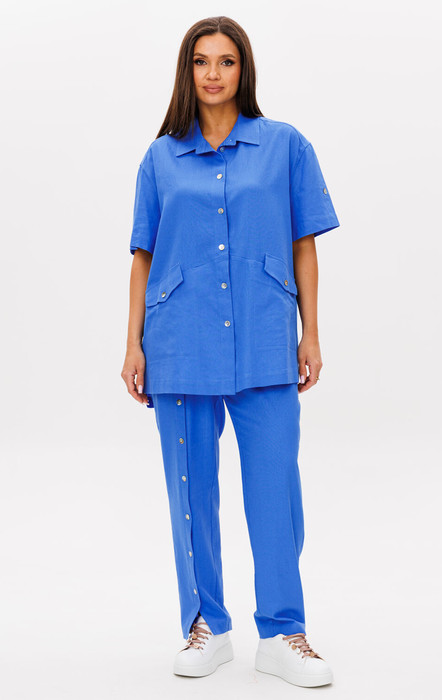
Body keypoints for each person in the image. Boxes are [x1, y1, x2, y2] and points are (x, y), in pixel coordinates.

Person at [121, 16, 340, 689]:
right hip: (178, 339)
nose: (213, 73)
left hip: (265, 336)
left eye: (226, 61)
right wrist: (132, 343)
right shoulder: (160, 158)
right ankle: (206, 626)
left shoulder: (285, 146)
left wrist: (310, 331)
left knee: (274, 488)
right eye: (201, 61)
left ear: (244, 70)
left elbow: (304, 243)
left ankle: (282, 632)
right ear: (186, 72)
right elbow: (143, 255)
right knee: (190, 490)